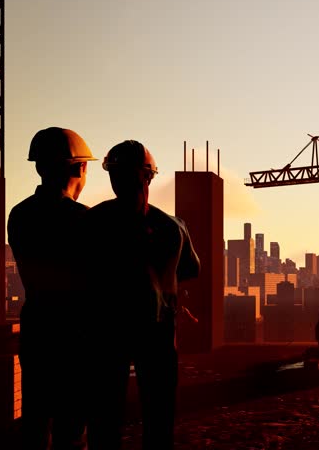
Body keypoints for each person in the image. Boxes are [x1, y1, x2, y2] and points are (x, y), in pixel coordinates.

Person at [84, 140, 199, 450]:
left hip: (107, 332)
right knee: (158, 417)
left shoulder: (92, 222)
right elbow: (191, 270)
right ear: (149, 176)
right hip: (157, 333)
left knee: (104, 419)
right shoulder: (174, 227)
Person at [7, 127, 96, 449]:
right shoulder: (82, 219)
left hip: (37, 327)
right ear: (79, 168)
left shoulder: (19, 214)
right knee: (71, 427)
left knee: (35, 420)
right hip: (74, 333)